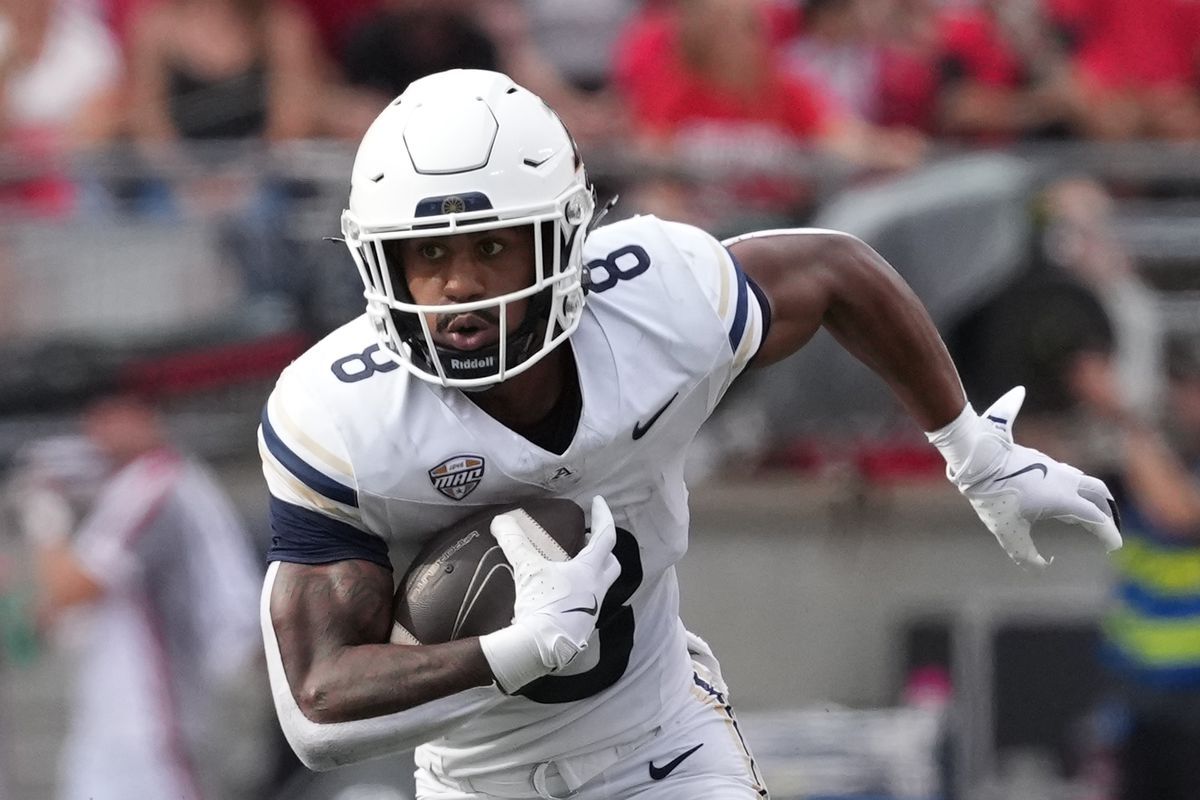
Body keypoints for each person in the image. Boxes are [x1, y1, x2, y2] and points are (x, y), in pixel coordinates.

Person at [258, 68, 1123, 799]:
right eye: (430, 256)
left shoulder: (655, 303)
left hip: (664, 744)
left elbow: (835, 268)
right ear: (383, 263)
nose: (458, 287)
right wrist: (513, 651)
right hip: (475, 781)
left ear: (561, 239)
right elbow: (316, 711)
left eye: (490, 248)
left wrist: (974, 452)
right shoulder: (342, 418)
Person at [11, 392, 268, 800]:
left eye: (112, 415)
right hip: (112, 718)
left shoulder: (158, 481)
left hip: (161, 713)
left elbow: (71, 587)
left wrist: (45, 513)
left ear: (143, 416)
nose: (98, 432)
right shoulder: (131, 485)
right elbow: (64, 604)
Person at [1070, 340, 1200, 800]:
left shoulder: (1157, 461)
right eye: (1183, 386)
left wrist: (1120, 412)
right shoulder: (1156, 461)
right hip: (1140, 704)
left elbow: (1179, 513)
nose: (1188, 400)